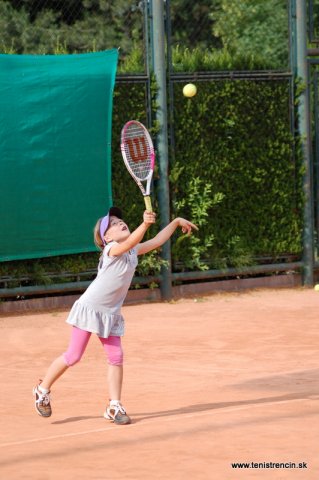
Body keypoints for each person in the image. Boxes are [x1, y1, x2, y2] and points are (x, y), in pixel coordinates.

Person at [33, 206, 198, 425]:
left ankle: (114, 405)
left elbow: (157, 241)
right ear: (106, 237)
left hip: (110, 314)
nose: (120, 223)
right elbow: (129, 243)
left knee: (116, 357)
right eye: (112, 224)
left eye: (120, 220)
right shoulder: (111, 250)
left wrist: (176, 221)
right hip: (90, 309)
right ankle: (42, 390)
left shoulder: (131, 251)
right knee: (73, 356)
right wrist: (145, 224)